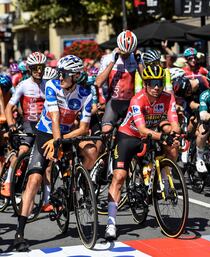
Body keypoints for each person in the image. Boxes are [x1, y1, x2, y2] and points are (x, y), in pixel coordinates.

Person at [12, 55, 93, 251]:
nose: (59, 77)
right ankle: (20, 233)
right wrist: (56, 142)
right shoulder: (52, 87)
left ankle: (80, 183)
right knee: (34, 180)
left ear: (74, 76)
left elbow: (83, 128)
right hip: (46, 133)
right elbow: (55, 119)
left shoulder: (86, 94)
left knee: (91, 150)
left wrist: (62, 141)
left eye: (63, 74)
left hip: (67, 134)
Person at [105, 65, 180, 240]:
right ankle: (111, 223)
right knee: (120, 177)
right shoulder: (137, 100)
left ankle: (164, 179)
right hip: (129, 135)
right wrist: (163, 136)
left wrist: (175, 135)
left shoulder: (168, 98)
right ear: (145, 84)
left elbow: (174, 123)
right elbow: (141, 129)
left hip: (150, 135)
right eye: (152, 83)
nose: (156, 87)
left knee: (173, 143)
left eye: (160, 83)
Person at [2, 52, 47, 200]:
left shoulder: (49, 84)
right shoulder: (24, 85)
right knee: (23, 150)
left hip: (44, 126)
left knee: (49, 163)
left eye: (41, 67)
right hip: (28, 123)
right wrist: (11, 125)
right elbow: (9, 108)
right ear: (29, 69)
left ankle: (47, 200)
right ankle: (8, 183)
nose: (39, 71)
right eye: (35, 68)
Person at [95, 30, 140, 134]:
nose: (126, 56)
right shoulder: (107, 58)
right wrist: (112, 61)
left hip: (131, 102)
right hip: (113, 102)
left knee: (136, 131)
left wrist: (139, 62)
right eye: (124, 53)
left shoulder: (136, 58)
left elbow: (146, 81)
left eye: (129, 53)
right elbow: (98, 83)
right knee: (105, 130)